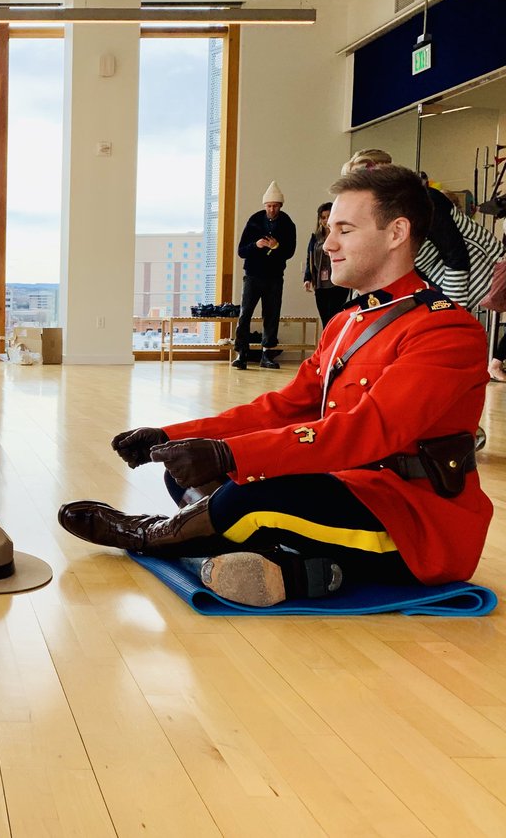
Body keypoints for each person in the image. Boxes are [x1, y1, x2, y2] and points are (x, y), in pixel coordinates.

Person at [58, 165, 491, 607]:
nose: (329, 244)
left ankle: (150, 534)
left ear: (397, 232)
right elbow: (282, 409)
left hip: (408, 522)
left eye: (344, 230)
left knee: (247, 497)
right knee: (187, 472)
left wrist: (230, 454)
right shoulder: (347, 322)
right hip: (342, 486)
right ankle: (300, 568)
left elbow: (367, 430)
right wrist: (173, 436)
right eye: (329, 230)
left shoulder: (445, 330)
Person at [343, 148, 504, 309]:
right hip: (471, 290)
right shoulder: (392, 212)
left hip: (490, 275)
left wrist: (452, 307)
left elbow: (456, 255)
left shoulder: (421, 200)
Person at [233, 181, 296, 370]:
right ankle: (241, 353)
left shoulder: (287, 224)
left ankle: (267, 353)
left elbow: (290, 252)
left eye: (275, 206)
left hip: (274, 276)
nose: (272, 209)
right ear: (264, 205)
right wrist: (256, 245)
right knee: (245, 314)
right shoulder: (254, 221)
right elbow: (241, 251)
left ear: (280, 206)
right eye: (269, 206)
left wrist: (276, 247)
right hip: (252, 275)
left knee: (272, 315)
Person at [302, 201, 348, 327]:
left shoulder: (342, 235)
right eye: (323, 217)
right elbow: (310, 258)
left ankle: (335, 340)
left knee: (335, 317)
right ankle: (327, 339)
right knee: (325, 319)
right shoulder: (315, 238)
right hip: (320, 283)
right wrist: (307, 278)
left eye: (329, 216)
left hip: (338, 282)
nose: (326, 220)